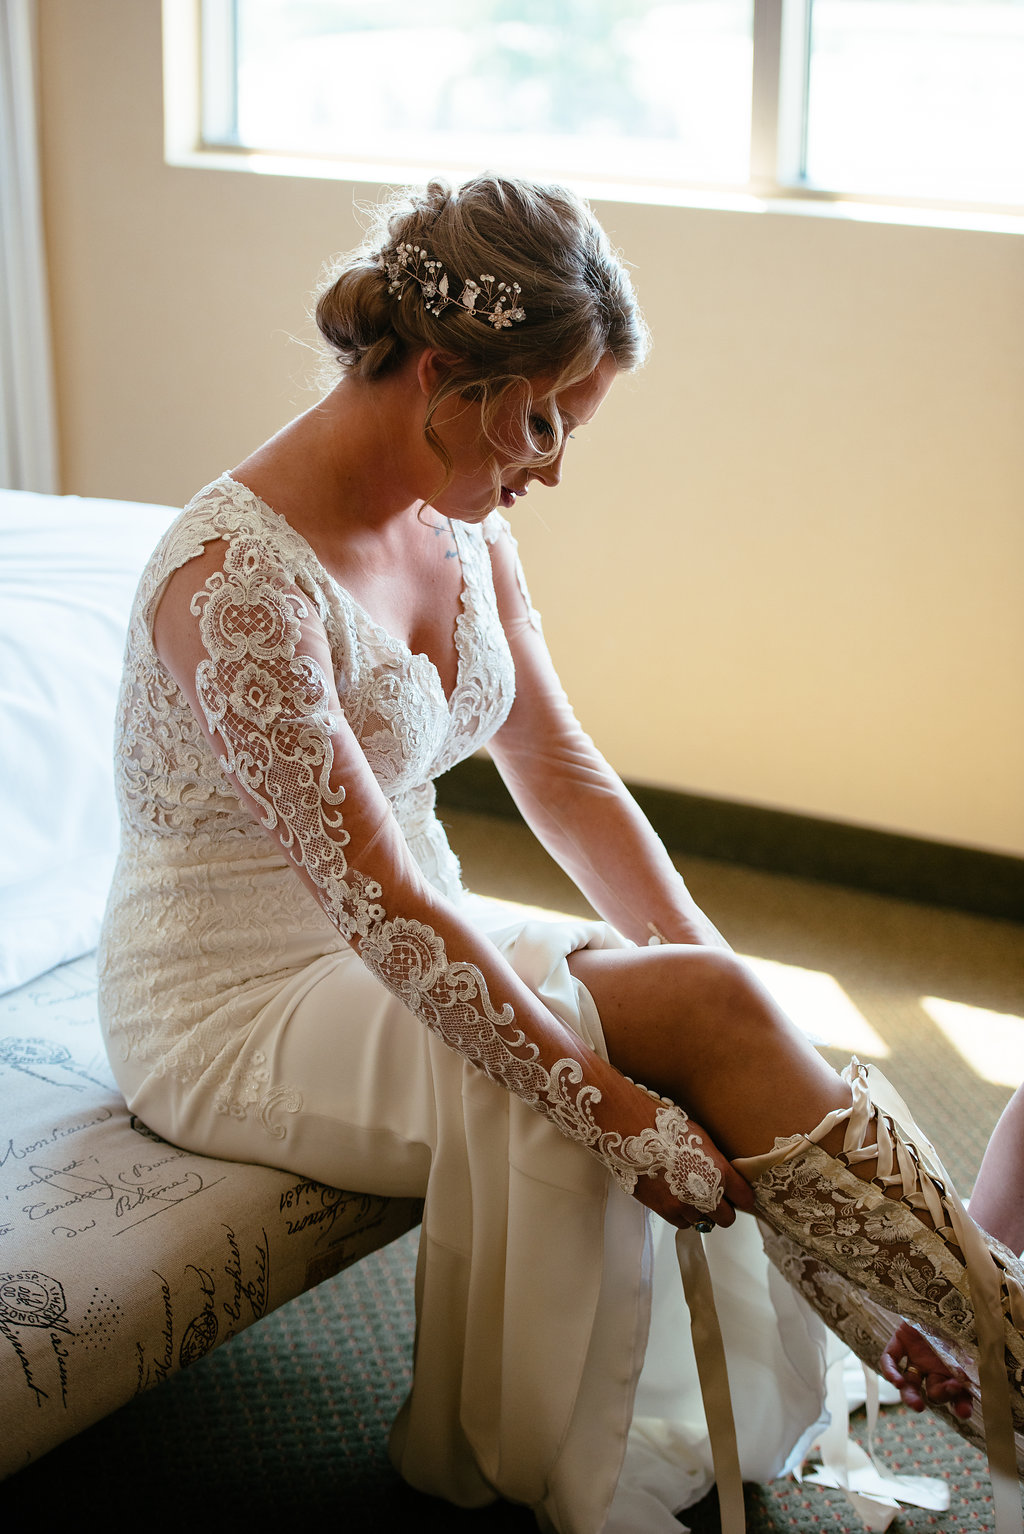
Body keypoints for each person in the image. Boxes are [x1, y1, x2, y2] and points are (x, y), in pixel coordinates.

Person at [97, 173, 1024, 1533]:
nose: (551, 465)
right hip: (237, 1003)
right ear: (441, 373)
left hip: (396, 931)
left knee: (714, 1000)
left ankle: (981, 1342)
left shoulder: (458, 529)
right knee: (684, 1030)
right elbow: (386, 903)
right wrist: (604, 1100)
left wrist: (702, 962)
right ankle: (994, 1333)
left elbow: (564, 774)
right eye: (545, 418)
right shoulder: (231, 584)